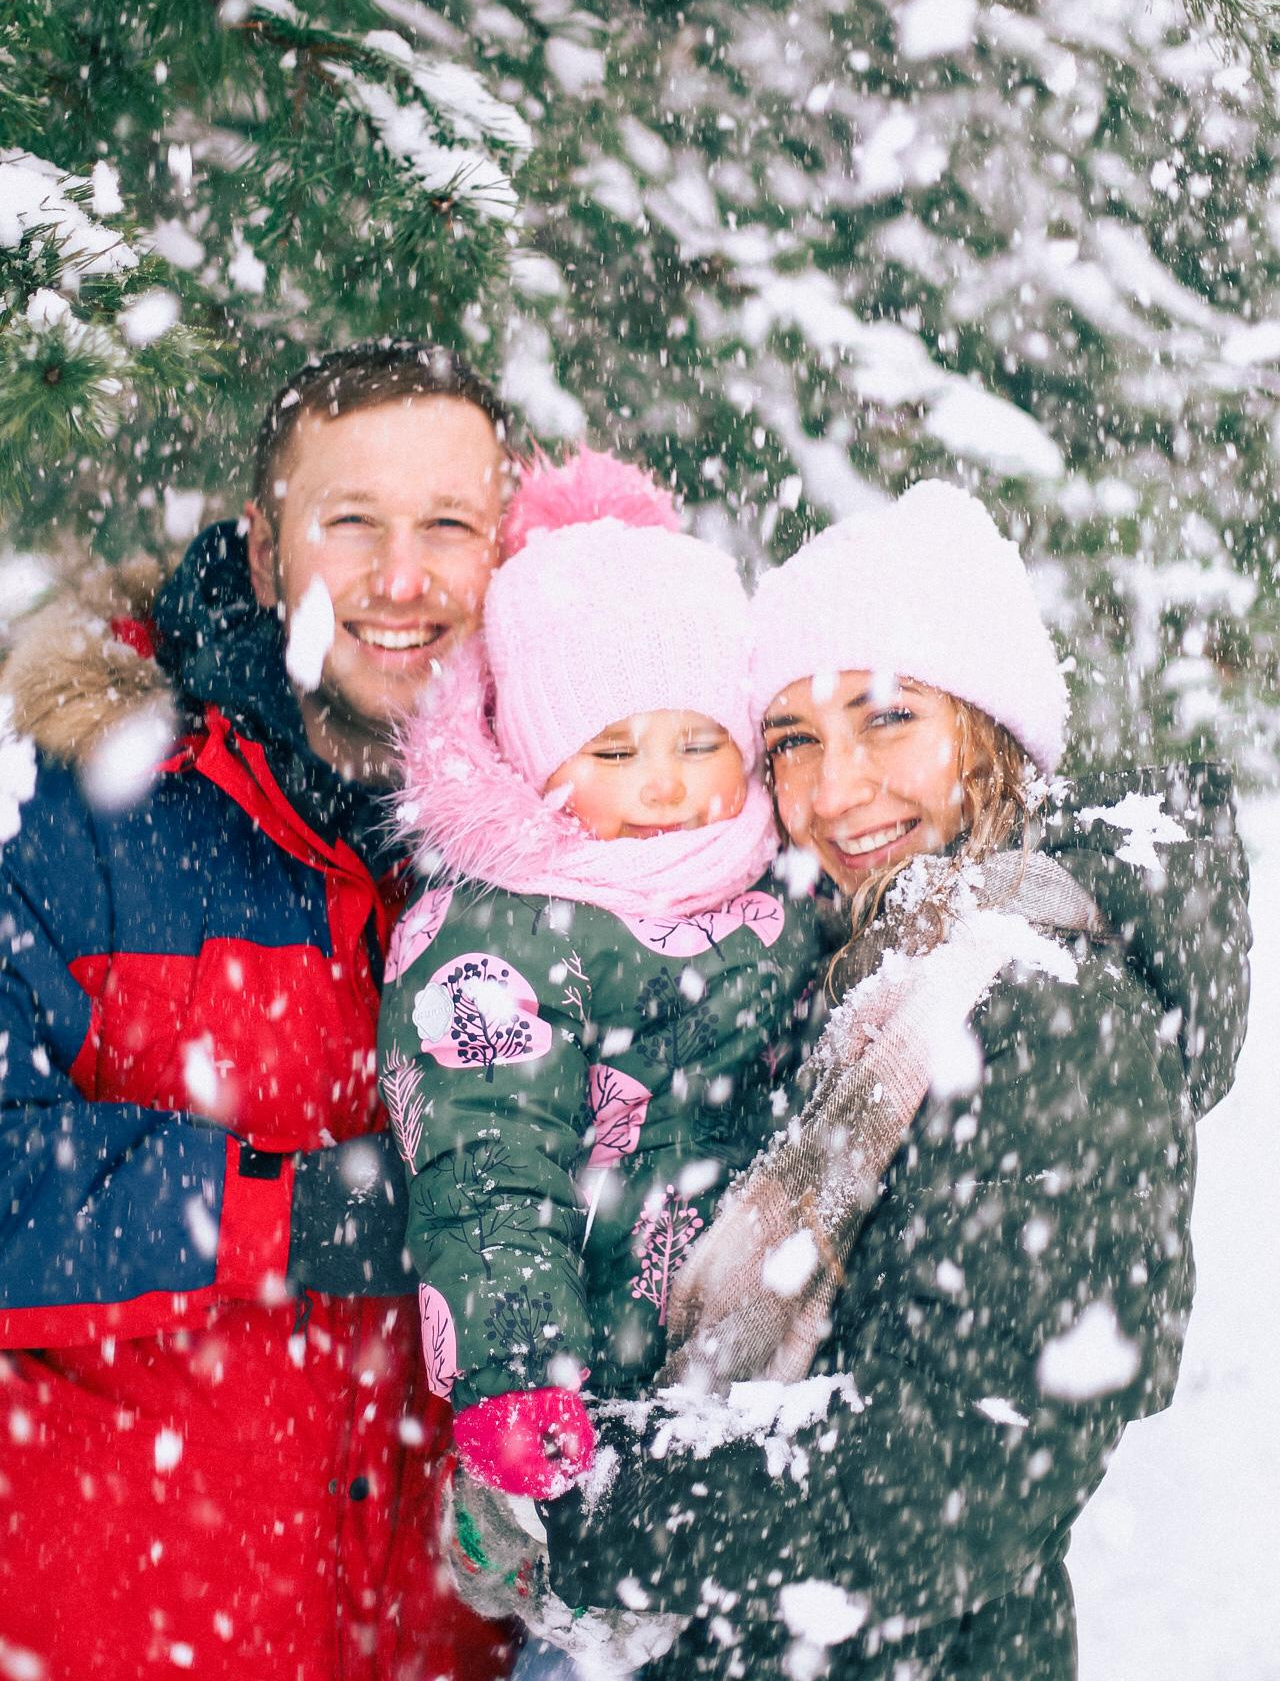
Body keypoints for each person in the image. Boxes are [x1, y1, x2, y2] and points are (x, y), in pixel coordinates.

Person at [538, 479, 1251, 1680]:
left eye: (884, 720)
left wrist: (586, 1502)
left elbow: (951, 1474)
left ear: (987, 730)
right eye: (793, 742)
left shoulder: (1049, 1017)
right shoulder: (848, 980)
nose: (833, 791)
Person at [0, 343, 519, 1680]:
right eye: (351, 522)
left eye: (447, 526)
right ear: (265, 551)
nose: (401, 579)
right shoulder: (61, 804)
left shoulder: (566, 840)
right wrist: (287, 1216)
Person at [375, 452, 821, 1661]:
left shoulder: (782, 886)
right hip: (597, 1436)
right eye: (614, 752)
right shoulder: (504, 931)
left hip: (764, 1424)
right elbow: (487, 1169)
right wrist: (520, 1371)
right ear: (536, 760)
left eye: (698, 742)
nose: (666, 786)